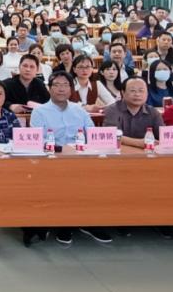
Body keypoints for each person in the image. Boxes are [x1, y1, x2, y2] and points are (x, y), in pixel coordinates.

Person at [28, 71, 111, 246]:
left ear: (71, 89)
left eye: (65, 85)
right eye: (57, 85)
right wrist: (60, 149)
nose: (61, 89)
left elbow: (92, 133)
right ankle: (65, 224)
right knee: (65, 179)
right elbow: (37, 141)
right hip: (52, 159)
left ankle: (89, 222)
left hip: (81, 158)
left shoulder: (79, 110)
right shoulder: (39, 112)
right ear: (49, 89)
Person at [102, 76, 163, 148]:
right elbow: (111, 135)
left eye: (141, 91)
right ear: (123, 93)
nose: (137, 94)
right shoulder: (112, 110)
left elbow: (163, 136)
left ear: (147, 93)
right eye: (132, 91)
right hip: (120, 153)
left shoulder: (153, 112)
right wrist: (139, 143)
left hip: (146, 153)